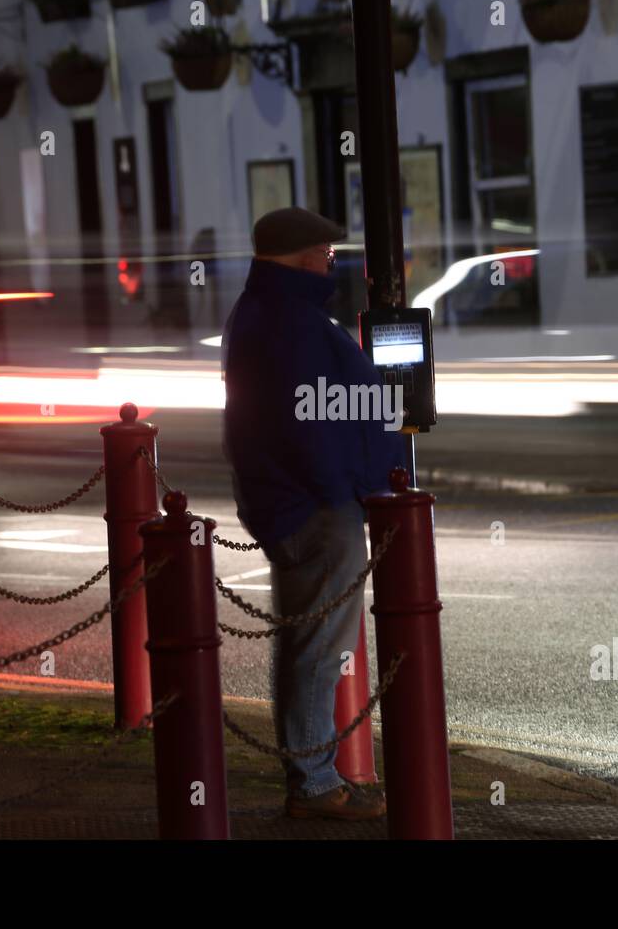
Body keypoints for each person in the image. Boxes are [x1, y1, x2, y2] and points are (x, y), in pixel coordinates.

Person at [222, 206, 406, 821]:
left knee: (308, 643)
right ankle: (315, 783)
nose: (332, 261)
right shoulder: (290, 321)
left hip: (299, 504)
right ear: (306, 256)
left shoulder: (265, 313)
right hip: (319, 512)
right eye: (327, 253)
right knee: (319, 650)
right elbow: (310, 426)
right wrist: (347, 491)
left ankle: (314, 777)